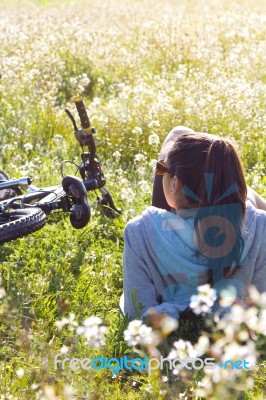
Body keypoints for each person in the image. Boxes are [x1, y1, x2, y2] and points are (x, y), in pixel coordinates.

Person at [121, 126, 266, 320]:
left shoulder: (138, 232)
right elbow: (258, 307)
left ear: (175, 184)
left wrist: (180, 310)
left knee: (177, 132)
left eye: (161, 169)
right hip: (233, 325)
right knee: (246, 200)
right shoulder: (259, 227)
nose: (160, 173)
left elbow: (136, 313)